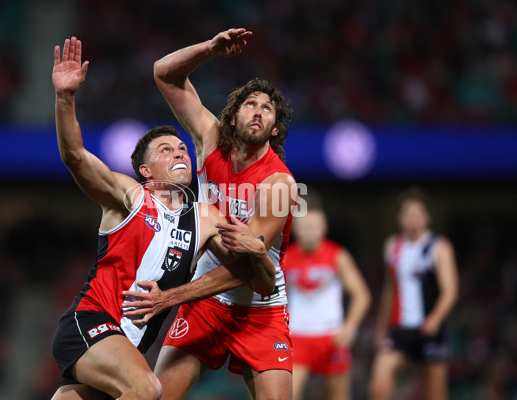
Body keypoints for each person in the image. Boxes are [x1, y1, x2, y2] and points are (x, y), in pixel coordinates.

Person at [50, 36, 277, 400]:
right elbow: (75, 156)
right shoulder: (131, 196)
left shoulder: (205, 218)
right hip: (91, 322)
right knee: (147, 389)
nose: (180, 153)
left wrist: (259, 252)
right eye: (166, 150)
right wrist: (65, 97)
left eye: (183, 148)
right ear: (145, 169)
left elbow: (253, 277)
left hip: (127, 345)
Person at [123, 28, 298, 400]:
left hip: (260, 308)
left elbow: (250, 272)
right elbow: (164, 73)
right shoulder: (209, 140)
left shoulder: (279, 184)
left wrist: (171, 297)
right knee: (155, 395)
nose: (259, 111)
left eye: (268, 108)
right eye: (251, 103)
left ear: (275, 129)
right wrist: (208, 50)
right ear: (232, 117)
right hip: (206, 303)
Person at [368, 187, 459, 400]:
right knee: (378, 388)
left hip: (429, 330)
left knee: (436, 394)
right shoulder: (392, 246)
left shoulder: (439, 247)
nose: (413, 219)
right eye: (408, 214)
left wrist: (435, 320)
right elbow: (390, 290)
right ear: (400, 218)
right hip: (399, 330)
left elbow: (450, 291)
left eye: (417, 214)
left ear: (427, 217)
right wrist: (381, 329)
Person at [285, 193, 371, 400]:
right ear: (296, 230)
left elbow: (362, 295)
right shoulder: (286, 257)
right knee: (288, 396)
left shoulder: (337, 255)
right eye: (304, 227)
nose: (309, 232)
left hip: (332, 338)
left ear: (324, 228)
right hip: (298, 337)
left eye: (313, 227)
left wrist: (350, 327)